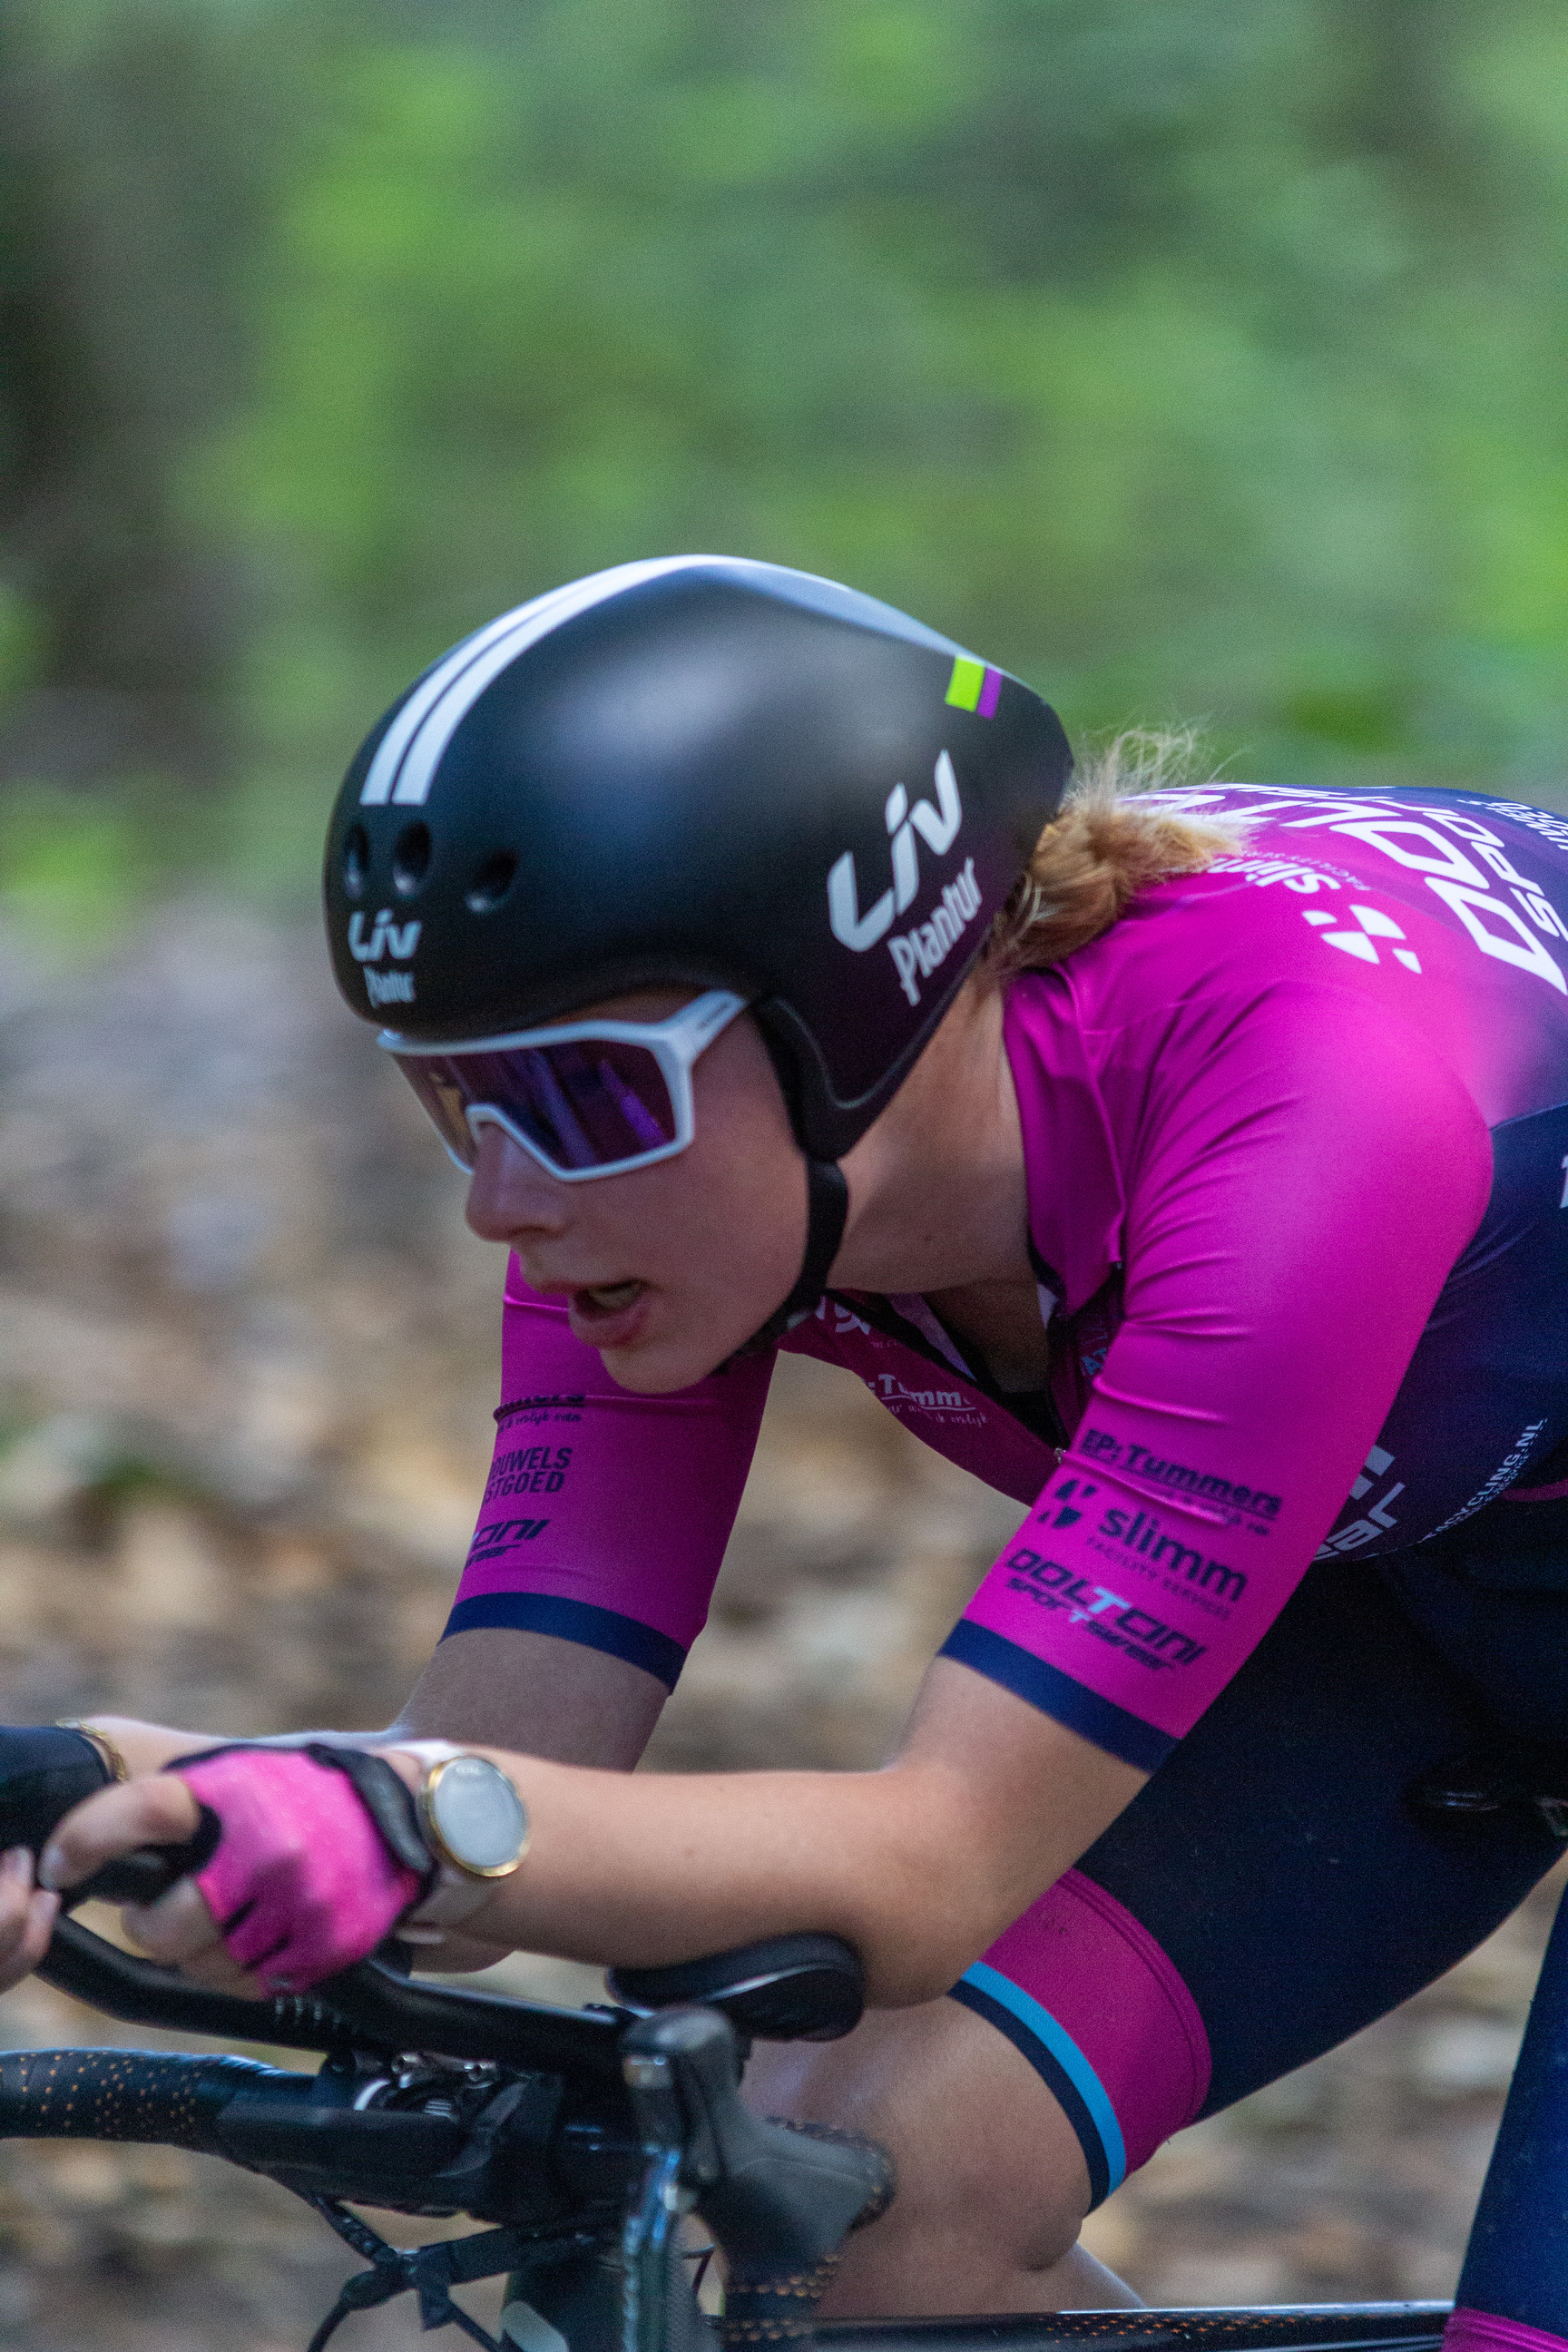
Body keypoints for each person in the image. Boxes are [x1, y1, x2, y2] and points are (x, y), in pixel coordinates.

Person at [4, 555, 1568, 2328]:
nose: (500, 1200)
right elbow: (492, 1782)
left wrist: (403, 1824)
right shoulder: (653, 1195)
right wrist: (117, 1787)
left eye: (580, 1092)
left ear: (857, 1021)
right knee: (843, 2205)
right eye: (455, 1097)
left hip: (1435, 1507)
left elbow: (926, 1870)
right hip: (1420, 1587)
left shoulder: (1309, 1119)